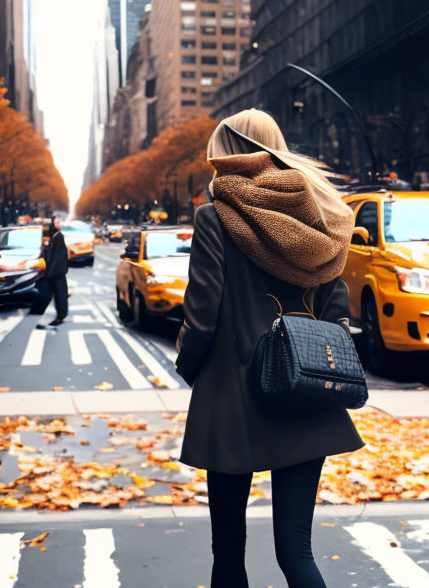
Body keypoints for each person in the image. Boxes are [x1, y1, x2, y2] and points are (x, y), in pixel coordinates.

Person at [175, 109, 364, 588]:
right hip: (308, 394)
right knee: (297, 552)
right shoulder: (319, 213)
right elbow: (337, 308)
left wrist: (190, 367)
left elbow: (201, 316)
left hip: (231, 402)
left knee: (229, 554)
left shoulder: (215, 216)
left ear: (230, 153)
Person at [34, 217, 69, 328]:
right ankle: (56, 317)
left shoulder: (58, 237)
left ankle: (58, 317)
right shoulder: (54, 237)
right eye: (57, 222)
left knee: (58, 296)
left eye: (59, 222)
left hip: (56, 273)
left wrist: (49, 273)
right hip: (54, 273)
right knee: (56, 296)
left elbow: (57, 257)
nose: (59, 224)